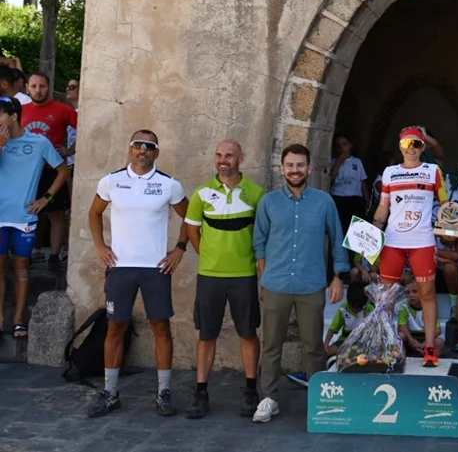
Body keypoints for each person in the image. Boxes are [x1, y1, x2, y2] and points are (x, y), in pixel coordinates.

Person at [87, 130, 190, 418]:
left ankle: (163, 392)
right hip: (120, 267)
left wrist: (179, 249)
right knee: (115, 327)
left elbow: (191, 217)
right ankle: (110, 392)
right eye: (138, 145)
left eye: (149, 146)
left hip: (155, 268)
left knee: (161, 327)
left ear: (156, 152)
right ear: (129, 149)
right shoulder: (112, 181)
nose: (143, 150)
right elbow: (94, 213)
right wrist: (99, 245)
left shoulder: (169, 185)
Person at [251, 143, 348, 424]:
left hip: (311, 284)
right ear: (282, 169)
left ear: (310, 168)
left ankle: (318, 400)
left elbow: (337, 238)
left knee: (313, 346)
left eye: (300, 165)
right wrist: (265, 277)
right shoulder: (269, 202)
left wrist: (338, 276)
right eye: (290, 165)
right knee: (270, 345)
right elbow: (260, 243)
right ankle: (268, 398)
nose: (295, 170)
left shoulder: (324, 202)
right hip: (276, 284)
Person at [182, 140, 266, 419]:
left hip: (244, 275)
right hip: (210, 276)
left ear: (241, 158)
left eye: (229, 155)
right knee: (206, 335)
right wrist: (206, 254)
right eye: (218, 154)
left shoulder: (256, 193)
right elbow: (192, 229)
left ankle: (251, 390)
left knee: (248, 334)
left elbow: (263, 234)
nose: (223, 160)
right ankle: (201, 393)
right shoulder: (202, 193)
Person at [370, 126, 449, 368]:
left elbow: (445, 203)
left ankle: (429, 347)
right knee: (386, 297)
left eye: (416, 144)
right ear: (400, 146)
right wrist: (373, 230)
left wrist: (451, 226)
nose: (411, 148)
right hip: (393, 241)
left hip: (422, 241)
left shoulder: (433, 171)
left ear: (423, 147)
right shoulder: (390, 173)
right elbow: (383, 206)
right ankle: (387, 346)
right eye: (407, 144)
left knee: (426, 294)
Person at [0, 97, 68, 339]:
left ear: (14, 116)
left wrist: (45, 198)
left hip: (24, 217)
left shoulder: (38, 142)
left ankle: (18, 320)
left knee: (21, 266)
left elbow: (62, 170)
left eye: (0, 115)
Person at [22, 72, 77, 272]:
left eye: (42, 86)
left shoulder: (63, 110)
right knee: (27, 212)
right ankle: (24, 255)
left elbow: (87, 128)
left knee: (56, 214)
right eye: (34, 86)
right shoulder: (19, 110)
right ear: (27, 89)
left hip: (53, 170)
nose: (38, 90)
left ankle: (53, 255)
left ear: (49, 87)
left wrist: (71, 150)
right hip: (26, 171)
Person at [325, 281, 373, 366]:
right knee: (327, 352)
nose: (356, 310)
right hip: (345, 341)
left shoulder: (370, 309)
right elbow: (332, 329)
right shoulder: (343, 310)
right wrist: (326, 344)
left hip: (364, 342)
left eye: (359, 308)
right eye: (353, 307)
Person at [330, 135, 371, 233]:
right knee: (340, 228)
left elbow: (361, 181)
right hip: (339, 196)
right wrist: (339, 161)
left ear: (350, 145)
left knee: (355, 230)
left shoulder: (357, 162)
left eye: (344, 144)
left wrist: (367, 199)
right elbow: (331, 178)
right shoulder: (334, 161)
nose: (341, 148)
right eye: (338, 145)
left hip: (355, 198)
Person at [398, 280, 445, 358]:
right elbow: (402, 326)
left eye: (415, 291)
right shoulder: (404, 306)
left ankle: (428, 356)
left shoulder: (430, 307)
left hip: (427, 338)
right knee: (400, 336)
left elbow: (437, 330)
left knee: (439, 342)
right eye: (408, 293)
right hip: (410, 338)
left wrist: (423, 344)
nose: (411, 295)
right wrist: (412, 341)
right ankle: (401, 356)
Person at [435, 231, 458, 318]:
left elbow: (455, 256)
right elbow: (425, 253)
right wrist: (444, 259)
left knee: (450, 268)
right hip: (435, 273)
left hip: (456, 276)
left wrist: (433, 250)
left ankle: (454, 304)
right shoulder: (432, 235)